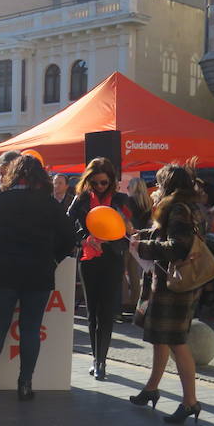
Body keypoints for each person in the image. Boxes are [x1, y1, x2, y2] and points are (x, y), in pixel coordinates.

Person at [0, 154, 76, 400]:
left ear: (13, 174)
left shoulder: (1, 199)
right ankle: (25, 384)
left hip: (5, 269)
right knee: (30, 329)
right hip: (39, 272)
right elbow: (70, 237)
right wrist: (54, 259)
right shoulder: (50, 204)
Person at [129, 165, 206, 423]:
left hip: (175, 286)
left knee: (176, 342)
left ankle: (190, 402)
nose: (157, 187)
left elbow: (177, 247)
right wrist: (145, 235)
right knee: (160, 338)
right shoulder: (185, 206)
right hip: (169, 284)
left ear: (168, 185)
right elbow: (171, 235)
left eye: (160, 183)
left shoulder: (177, 208)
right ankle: (151, 388)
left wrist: (144, 246)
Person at [67, 158, 132, 380]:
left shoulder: (121, 200)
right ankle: (96, 359)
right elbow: (67, 224)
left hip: (112, 259)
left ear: (112, 181)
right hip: (89, 259)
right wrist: (85, 238)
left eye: (104, 182)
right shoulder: (82, 199)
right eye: (95, 183)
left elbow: (130, 234)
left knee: (106, 312)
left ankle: (102, 360)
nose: (100, 187)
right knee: (92, 312)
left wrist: (112, 240)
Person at [123, 178, 153, 314]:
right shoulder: (148, 202)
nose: (127, 188)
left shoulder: (128, 201)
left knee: (121, 271)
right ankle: (135, 300)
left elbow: (125, 219)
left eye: (129, 186)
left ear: (134, 187)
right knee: (134, 272)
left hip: (126, 238)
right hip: (139, 238)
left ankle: (124, 301)